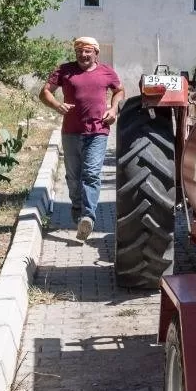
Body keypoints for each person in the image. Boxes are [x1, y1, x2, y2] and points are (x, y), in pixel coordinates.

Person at [39, 37, 124, 242]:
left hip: (98, 131)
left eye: (87, 52)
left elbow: (119, 90)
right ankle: (77, 208)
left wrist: (113, 109)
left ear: (96, 53)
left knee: (91, 174)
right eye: (79, 52)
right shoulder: (64, 70)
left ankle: (88, 216)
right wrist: (57, 106)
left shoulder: (106, 71)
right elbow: (44, 92)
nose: (83, 55)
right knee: (73, 177)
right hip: (71, 132)